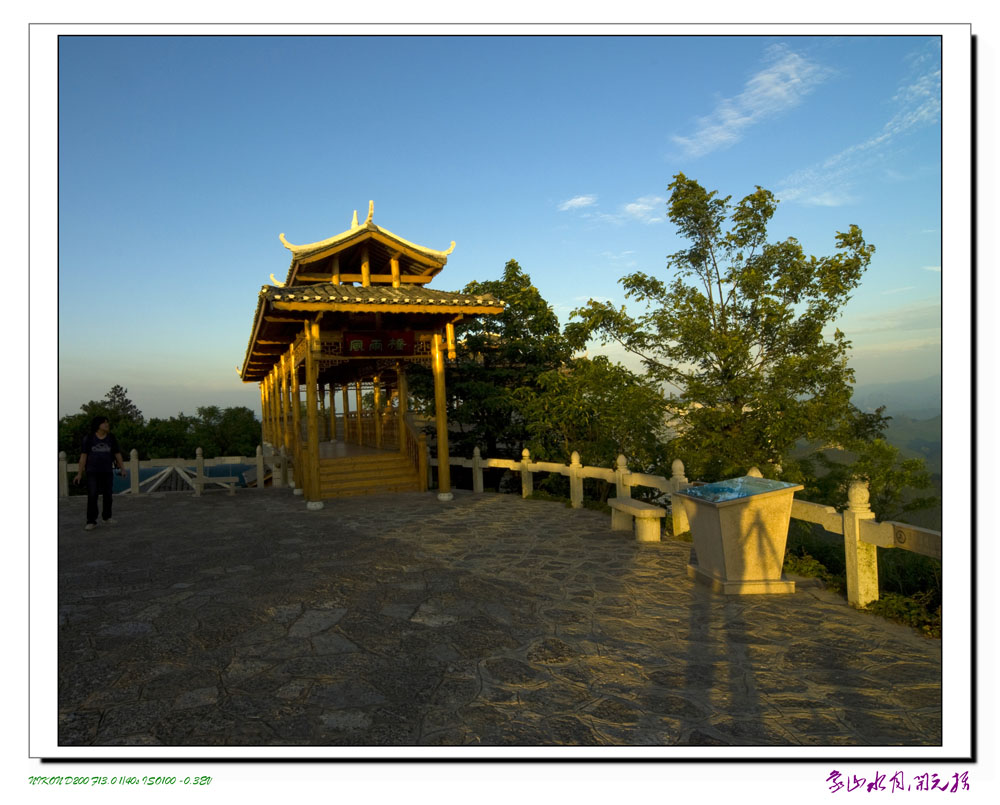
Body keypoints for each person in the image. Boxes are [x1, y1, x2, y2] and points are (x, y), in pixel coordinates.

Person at [73, 416, 127, 531]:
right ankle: (91, 521)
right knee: (92, 495)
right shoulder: (89, 438)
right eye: (104, 423)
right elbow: (83, 456)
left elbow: (117, 454)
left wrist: (122, 468)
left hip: (107, 471)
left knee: (108, 495)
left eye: (107, 423)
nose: (107, 425)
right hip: (92, 471)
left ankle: (107, 517)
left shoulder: (111, 438)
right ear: (98, 425)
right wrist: (79, 473)